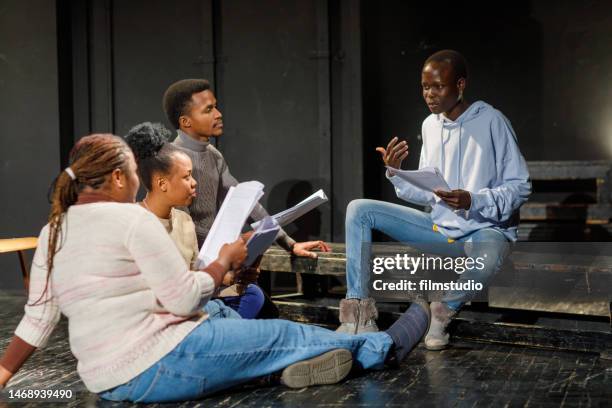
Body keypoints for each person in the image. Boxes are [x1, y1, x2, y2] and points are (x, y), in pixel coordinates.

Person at [0, 133, 431, 403]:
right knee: (281, 333)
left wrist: (2, 377)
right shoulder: (132, 219)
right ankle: (380, 349)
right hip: (157, 363)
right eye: (133, 172)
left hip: (105, 379)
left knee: (225, 316)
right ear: (117, 178)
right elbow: (184, 297)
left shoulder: (54, 230)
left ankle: (281, 372)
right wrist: (225, 259)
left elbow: (37, 318)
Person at [336, 50, 531, 351]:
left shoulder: (492, 121)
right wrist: (397, 173)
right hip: (439, 228)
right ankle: (359, 313)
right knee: (359, 210)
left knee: (490, 253)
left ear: (460, 85)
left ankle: (442, 311)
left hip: (483, 230)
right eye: (425, 87)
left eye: (438, 86)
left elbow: (520, 187)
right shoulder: (430, 125)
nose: (429, 94)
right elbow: (429, 193)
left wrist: (472, 200)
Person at [162, 79, 331, 258]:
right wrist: (232, 244)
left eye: (216, 107)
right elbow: (184, 229)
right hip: (189, 262)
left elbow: (246, 202)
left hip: (216, 255)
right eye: (208, 110)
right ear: (186, 121)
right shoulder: (172, 161)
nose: (219, 114)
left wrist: (290, 243)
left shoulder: (213, 154)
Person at [125, 122, 265, 319]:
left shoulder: (184, 221)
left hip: (190, 305)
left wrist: (232, 276)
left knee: (252, 294)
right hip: (160, 317)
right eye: (187, 176)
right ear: (162, 184)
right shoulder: (135, 224)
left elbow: (195, 276)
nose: (194, 182)